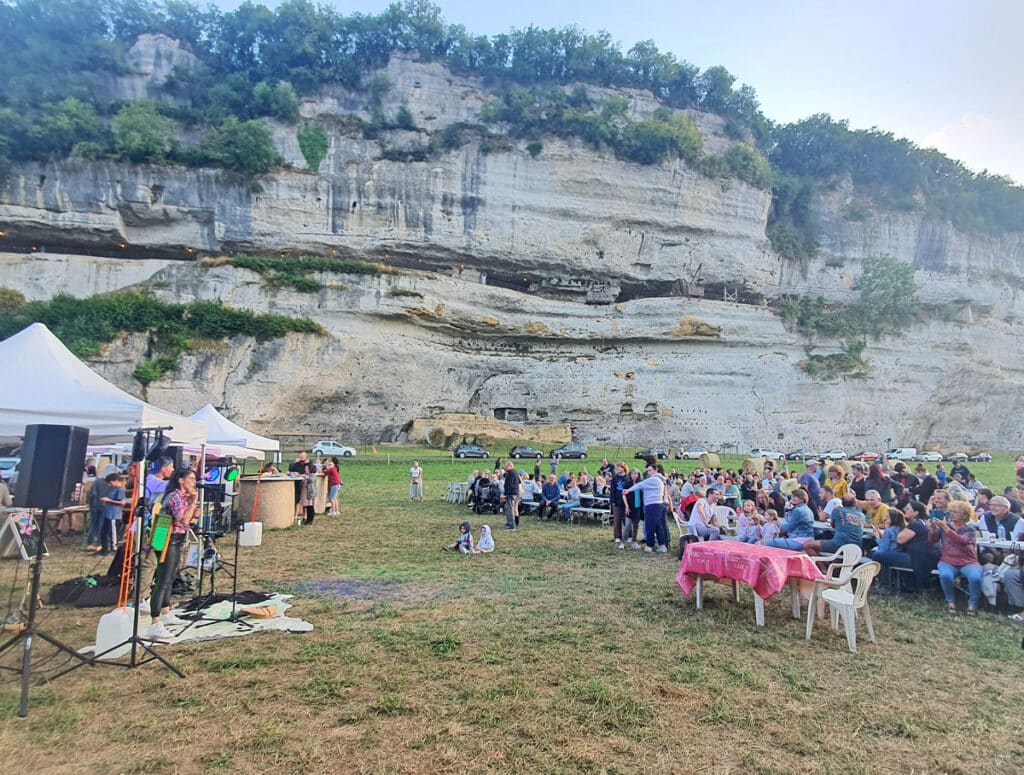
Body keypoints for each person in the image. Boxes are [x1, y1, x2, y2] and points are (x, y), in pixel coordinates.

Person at [147, 468, 199, 642]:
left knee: (170, 577)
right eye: (191, 478)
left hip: (176, 539)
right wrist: (193, 503)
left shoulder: (181, 497)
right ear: (181, 480)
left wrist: (193, 508)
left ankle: (166, 611)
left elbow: (190, 520)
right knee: (163, 580)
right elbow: (183, 519)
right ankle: (155, 622)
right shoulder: (176, 497)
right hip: (168, 539)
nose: (194, 482)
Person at [930, 501, 982, 615]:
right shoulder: (945, 527)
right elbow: (933, 540)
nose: (952, 514)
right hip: (948, 560)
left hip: (968, 561)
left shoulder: (970, 531)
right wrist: (933, 529)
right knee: (945, 575)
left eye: (955, 512)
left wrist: (945, 528)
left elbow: (961, 540)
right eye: (951, 511)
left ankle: (972, 604)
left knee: (975, 578)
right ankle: (950, 601)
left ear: (964, 515)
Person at [623, 464, 669, 553]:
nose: (648, 472)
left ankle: (650, 546)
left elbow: (640, 485)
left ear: (656, 470)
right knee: (657, 526)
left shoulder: (654, 479)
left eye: (650, 470)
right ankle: (662, 545)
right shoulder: (660, 479)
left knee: (650, 526)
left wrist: (628, 490)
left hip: (652, 505)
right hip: (657, 505)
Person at [98, 472, 126, 556]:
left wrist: (109, 500)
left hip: (114, 515)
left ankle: (114, 548)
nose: (110, 485)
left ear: (116, 481)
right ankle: (104, 548)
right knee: (103, 532)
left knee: (113, 532)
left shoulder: (120, 490)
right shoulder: (112, 490)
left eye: (110, 483)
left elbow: (122, 502)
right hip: (108, 514)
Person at [609, 463, 631, 548]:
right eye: (617, 467)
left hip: (626, 503)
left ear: (624, 468)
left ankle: (629, 535)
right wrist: (613, 501)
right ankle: (617, 536)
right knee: (617, 520)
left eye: (619, 467)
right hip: (617, 502)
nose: (617, 469)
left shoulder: (628, 477)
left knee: (627, 520)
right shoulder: (615, 478)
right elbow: (612, 491)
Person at [622, 468, 644, 549]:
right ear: (630, 475)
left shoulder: (641, 484)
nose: (634, 475)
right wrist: (627, 506)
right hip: (629, 507)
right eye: (632, 474)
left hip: (638, 508)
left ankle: (634, 541)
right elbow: (623, 495)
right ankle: (623, 542)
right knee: (627, 526)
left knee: (636, 526)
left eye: (636, 474)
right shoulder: (627, 484)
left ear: (638, 475)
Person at [290, 452, 312, 519]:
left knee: (304, 500)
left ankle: (304, 515)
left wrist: (301, 475)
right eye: (300, 457)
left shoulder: (309, 464)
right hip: (297, 484)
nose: (301, 458)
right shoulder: (296, 464)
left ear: (306, 457)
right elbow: (290, 471)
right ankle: (295, 515)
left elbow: (308, 474)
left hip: (305, 485)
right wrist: (293, 472)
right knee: (297, 500)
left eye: (302, 457)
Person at [500, 461, 520, 530]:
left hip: (511, 494)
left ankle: (512, 525)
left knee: (510, 509)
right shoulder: (515, 473)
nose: (505, 467)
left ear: (510, 466)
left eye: (506, 466)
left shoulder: (511, 473)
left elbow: (510, 485)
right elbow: (519, 482)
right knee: (509, 508)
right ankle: (509, 523)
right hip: (515, 493)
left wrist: (505, 494)